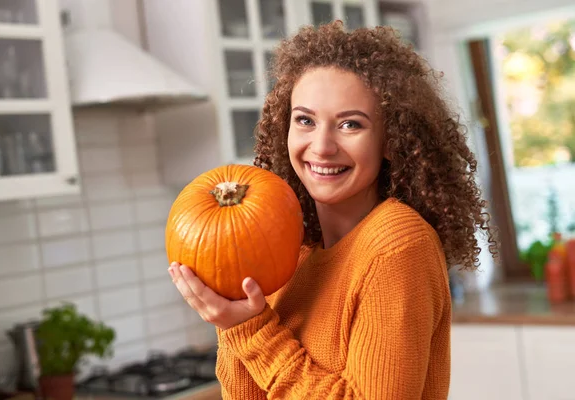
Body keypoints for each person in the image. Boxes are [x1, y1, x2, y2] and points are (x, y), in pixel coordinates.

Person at [168, 21, 496, 399]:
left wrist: (251, 330)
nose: (322, 146)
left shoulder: (398, 246)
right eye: (305, 120)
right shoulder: (288, 250)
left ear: (389, 141)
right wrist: (232, 321)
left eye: (350, 124)